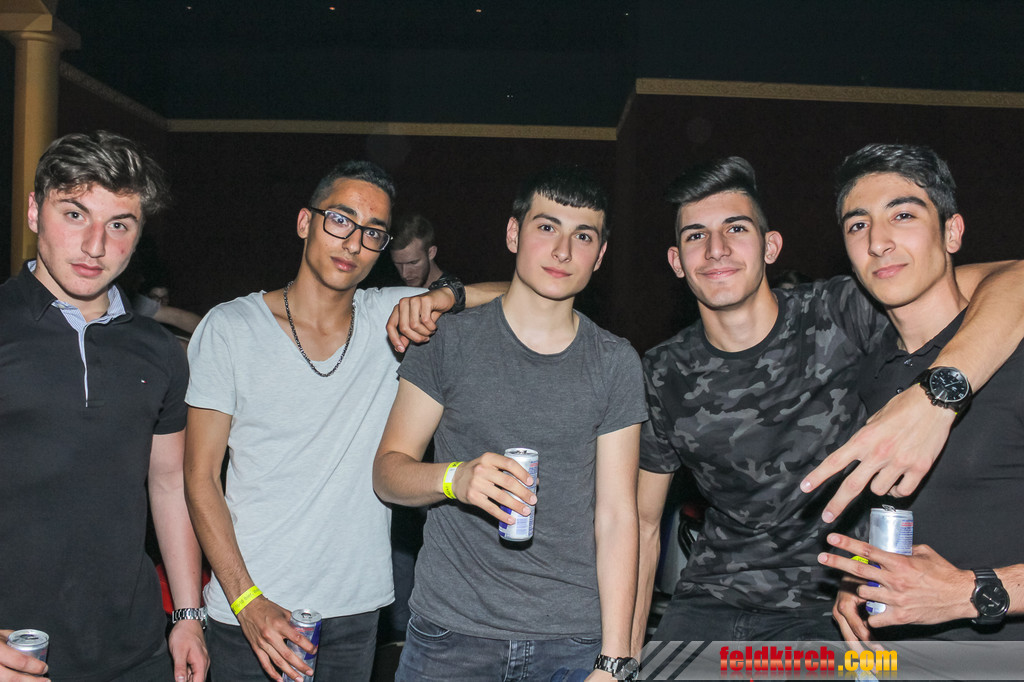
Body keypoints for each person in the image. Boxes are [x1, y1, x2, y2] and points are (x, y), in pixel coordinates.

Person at [632, 157, 1024, 654]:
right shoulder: (661, 371)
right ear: (676, 261)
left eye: (736, 228)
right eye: (696, 236)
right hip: (712, 598)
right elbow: (642, 524)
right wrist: (621, 658)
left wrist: (936, 398)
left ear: (771, 246)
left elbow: (1010, 278)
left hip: (827, 603)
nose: (716, 249)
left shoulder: (842, 312)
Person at [183, 160, 499, 682]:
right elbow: (199, 479)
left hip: (355, 611)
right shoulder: (231, 328)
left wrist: (444, 295)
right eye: (340, 220)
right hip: (250, 612)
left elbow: (526, 293)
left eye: (373, 232)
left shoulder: (389, 315)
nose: (353, 242)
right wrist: (247, 601)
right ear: (305, 222)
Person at [373, 166, 647, 682]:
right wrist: (454, 478)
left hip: (571, 641)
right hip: (450, 635)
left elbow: (617, 515)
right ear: (513, 233)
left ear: (600, 256)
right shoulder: (446, 340)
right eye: (547, 227)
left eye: (583, 236)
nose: (562, 251)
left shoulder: (615, 362)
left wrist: (614, 660)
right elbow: (387, 472)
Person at [0, 131, 208, 681]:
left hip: (135, 649)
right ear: (34, 211)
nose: (95, 246)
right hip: (16, 649)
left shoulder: (160, 351)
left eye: (119, 225)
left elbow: (169, 484)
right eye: (74, 214)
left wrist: (187, 616)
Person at [818, 143, 1024, 644]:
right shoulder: (873, 372)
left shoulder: (1014, 352)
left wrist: (967, 592)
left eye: (903, 215)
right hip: (892, 663)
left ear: (952, 233)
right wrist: (863, 576)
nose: (878, 242)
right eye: (858, 225)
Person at [389, 213, 447, 288]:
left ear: (431, 253)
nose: (404, 274)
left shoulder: (456, 293)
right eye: (398, 264)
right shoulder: (393, 289)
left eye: (413, 262)